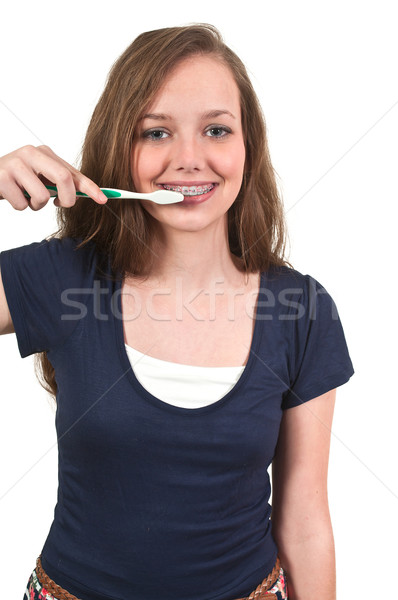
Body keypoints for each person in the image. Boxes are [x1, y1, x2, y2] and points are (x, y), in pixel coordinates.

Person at [0, 24, 354, 600]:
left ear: (248, 148)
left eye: (216, 129)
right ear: (121, 149)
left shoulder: (303, 310)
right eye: (156, 132)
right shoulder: (61, 275)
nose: (189, 159)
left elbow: (306, 521)